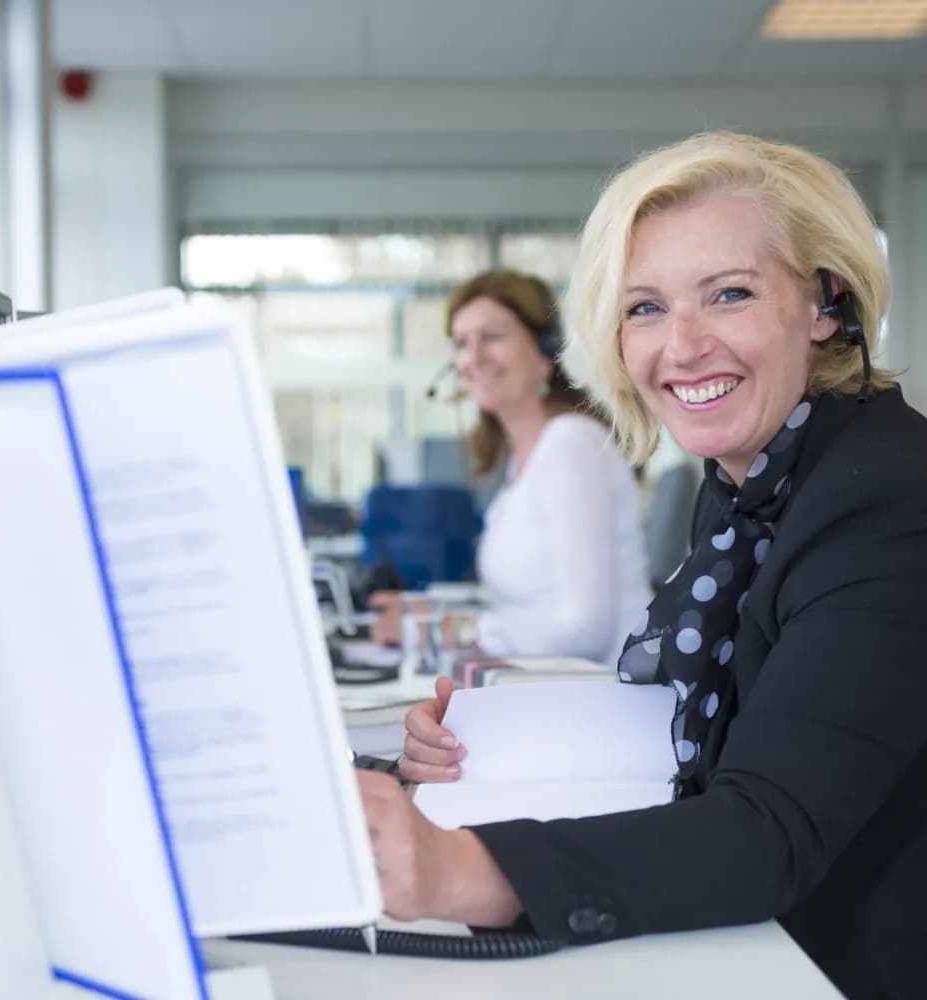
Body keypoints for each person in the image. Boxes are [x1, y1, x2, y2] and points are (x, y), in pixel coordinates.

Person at [357, 132, 927, 1000]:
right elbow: (715, 738)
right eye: (645, 309)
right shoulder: (751, 485)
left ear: (826, 305)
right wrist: (480, 746)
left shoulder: (886, 499)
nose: (683, 346)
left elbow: (768, 829)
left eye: (728, 294)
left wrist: (463, 868)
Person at [371, 268, 650, 665]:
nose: (473, 357)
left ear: (544, 350)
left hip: (600, 696)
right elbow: (532, 603)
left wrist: (440, 630)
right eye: (462, 343)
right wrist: (429, 615)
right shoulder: (526, 459)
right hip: (552, 686)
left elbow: (587, 630)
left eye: (492, 337)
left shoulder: (569, 446)